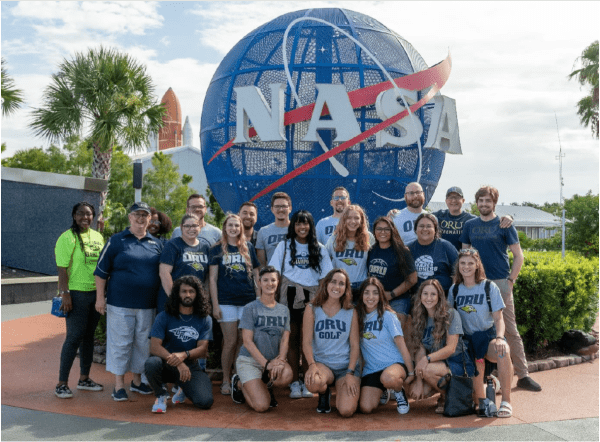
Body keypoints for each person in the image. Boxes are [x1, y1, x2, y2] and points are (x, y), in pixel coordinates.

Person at [460, 185, 540, 392]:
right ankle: (485, 376)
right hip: (476, 284)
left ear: (494, 203)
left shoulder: (504, 224)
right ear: (476, 203)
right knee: (480, 327)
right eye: (481, 201)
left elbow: (518, 256)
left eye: (488, 201)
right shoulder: (469, 225)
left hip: (500, 282)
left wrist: (510, 280)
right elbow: (464, 255)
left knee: (509, 329)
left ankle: (523, 375)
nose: (484, 204)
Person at [95, 202, 163, 401]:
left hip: (147, 305)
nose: (141, 218)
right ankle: (118, 385)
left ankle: (137, 381)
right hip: (120, 303)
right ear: (130, 217)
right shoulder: (117, 241)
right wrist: (100, 298)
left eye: (145, 215)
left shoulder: (157, 244)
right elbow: (100, 273)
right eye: (137, 215)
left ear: (150, 219)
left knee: (142, 344)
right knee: (121, 343)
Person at [268, 210, 333, 399]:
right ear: (293, 226)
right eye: (298, 223)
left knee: (308, 341)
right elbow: (275, 273)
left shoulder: (319, 248)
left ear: (311, 226)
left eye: (305, 224)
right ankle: (294, 382)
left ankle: (307, 380)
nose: (302, 227)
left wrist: (321, 303)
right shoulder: (284, 246)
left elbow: (325, 279)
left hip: (311, 300)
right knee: (291, 340)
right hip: (287, 298)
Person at [448, 248, 513, 418]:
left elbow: (499, 318)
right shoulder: (454, 290)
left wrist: (499, 338)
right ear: (458, 265)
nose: (466, 266)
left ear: (477, 265)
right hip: (467, 342)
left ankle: (506, 401)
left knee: (503, 350)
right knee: (480, 404)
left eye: (470, 263)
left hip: (487, 336)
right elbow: (450, 318)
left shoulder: (488, 287)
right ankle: (490, 386)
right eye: (463, 263)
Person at [54, 202, 105, 399]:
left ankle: (84, 379)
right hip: (76, 294)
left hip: (95, 293)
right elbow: (62, 268)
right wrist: (65, 293)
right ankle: (61, 384)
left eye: (89, 214)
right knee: (74, 337)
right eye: (81, 214)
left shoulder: (98, 237)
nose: (85, 217)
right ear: (74, 216)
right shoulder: (67, 238)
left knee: (88, 337)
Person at [145, 275, 214, 413]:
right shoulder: (163, 316)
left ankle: (184, 387)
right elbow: (154, 347)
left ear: (197, 294)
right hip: (165, 363)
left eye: (191, 291)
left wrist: (184, 356)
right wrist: (178, 362)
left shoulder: (205, 319)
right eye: (184, 291)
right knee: (151, 363)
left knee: (205, 401)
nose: (187, 295)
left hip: (189, 366)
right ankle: (161, 395)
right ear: (177, 293)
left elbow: (202, 349)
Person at [209, 214, 261, 396]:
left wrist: (259, 300)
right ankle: (225, 378)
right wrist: (215, 305)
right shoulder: (217, 249)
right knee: (230, 341)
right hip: (226, 302)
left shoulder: (248, 248)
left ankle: (238, 377)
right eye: (230, 225)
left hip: (247, 301)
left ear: (240, 228)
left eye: (236, 226)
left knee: (243, 341)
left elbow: (256, 275)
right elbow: (213, 279)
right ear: (225, 228)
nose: (233, 229)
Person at [231, 266, 293, 412]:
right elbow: (247, 342)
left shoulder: (284, 310)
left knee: (287, 375)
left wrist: (281, 360)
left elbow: (285, 340)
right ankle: (239, 383)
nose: (269, 283)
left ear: (278, 283)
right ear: (259, 282)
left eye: (273, 280)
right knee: (261, 406)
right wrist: (266, 365)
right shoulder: (250, 308)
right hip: (250, 361)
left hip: (272, 361)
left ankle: (264, 384)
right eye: (265, 280)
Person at [408, 279, 474, 414]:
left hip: (455, 362)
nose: (429, 298)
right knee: (417, 391)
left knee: (427, 370)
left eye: (433, 294)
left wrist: (426, 360)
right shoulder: (420, 317)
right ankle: (444, 391)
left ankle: (448, 396)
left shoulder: (450, 314)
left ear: (439, 296)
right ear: (420, 296)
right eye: (425, 294)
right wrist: (419, 382)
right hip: (435, 363)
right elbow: (420, 349)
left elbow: (451, 348)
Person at [302, 269, 361, 417]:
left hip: (344, 367)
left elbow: (354, 345)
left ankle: (341, 389)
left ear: (346, 289)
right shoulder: (312, 309)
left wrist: (350, 372)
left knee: (346, 411)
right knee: (313, 382)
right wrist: (311, 365)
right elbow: (307, 342)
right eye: (333, 281)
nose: (337, 286)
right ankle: (324, 391)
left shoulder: (351, 311)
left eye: (341, 284)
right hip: (323, 364)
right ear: (326, 283)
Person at [356, 277, 415, 415]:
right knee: (365, 408)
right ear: (362, 295)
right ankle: (383, 389)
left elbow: (402, 345)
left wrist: (411, 371)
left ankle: (398, 392)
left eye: (375, 293)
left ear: (381, 295)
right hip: (372, 369)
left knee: (388, 378)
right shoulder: (357, 318)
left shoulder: (388, 316)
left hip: (394, 365)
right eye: (367, 292)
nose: (371, 297)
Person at [368, 216, 417, 329]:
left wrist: (392, 294)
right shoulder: (371, 251)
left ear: (392, 230)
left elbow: (413, 278)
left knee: (396, 331)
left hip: (398, 300)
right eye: (379, 229)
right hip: (376, 299)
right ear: (374, 231)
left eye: (387, 229)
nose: (383, 232)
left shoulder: (402, 251)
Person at [158, 214, 211, 313]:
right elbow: (164, 273)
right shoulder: (172, 245)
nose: (191, 229)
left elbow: (208, 276)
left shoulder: (205, 247)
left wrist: (204, 298)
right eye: (187, 226)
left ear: (200, 227)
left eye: (195, 225)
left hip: (196, 302)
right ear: (181, 227)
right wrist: (175, 299)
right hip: (173, 302)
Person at [432, 186, 512, 250]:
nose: (453, 200)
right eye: (450, 197)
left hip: (462, 263)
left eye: (457, 197)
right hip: (442, 261)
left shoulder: (470, 220)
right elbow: (422, 216)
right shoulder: (438, 216)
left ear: (463, 200)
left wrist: (509, 217)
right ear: (446, 201)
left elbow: (488, 219)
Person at [325, 205, 375, 300]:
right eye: (349, 218)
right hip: (340, 287)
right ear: (344, 220)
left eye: (356, 218)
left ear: (361, 221)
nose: (353, 221)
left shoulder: (368, 237)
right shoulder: (334, 239)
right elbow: (324, 260)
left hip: (362, 287)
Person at [408, 213, 458, 295]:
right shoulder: (408, 249)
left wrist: (452, 296)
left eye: (428, 226)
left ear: (435, 229)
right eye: (421, 226)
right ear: (415, 229)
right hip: (417, 297)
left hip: (443, 296)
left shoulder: (446, 246)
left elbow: (457, 273)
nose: (425, 229)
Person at [256, 192, 292, 267]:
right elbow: (261, 264)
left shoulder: (298, 230)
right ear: (272, 209)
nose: (281, 209)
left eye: (284, 206)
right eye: (277, 206)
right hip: (273, 277)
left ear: (290, 208)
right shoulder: (263, 231)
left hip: (294, 277)